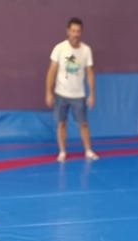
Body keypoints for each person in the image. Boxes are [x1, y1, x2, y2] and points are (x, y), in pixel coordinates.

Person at [45, 17, 98, 162]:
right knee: (61, 123)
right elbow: (51, 72)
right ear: (68, 31)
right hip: (61, 94)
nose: (75, 34)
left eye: (78, 31)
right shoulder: (59, 48)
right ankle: (62, 152)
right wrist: (48, 92)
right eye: (73, 31)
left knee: (84, 124)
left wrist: (92, 94)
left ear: (81, 32)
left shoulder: (86, 50)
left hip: (78, 95)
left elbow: (90, 73)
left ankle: (88, 150)